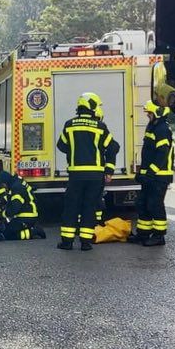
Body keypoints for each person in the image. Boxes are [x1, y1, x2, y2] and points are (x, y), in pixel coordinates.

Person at [56, 92, 117, 251]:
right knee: (89, 207)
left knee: (71, 206)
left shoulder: (69, 125)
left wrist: (75, 149)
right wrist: (109, 169)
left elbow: (61, 146)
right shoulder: (100, 127)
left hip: (76, 174)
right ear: (92, 106)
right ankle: (85, 242)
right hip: (96, 175)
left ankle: (67, 242)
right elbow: (113, 147)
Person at [130, 101, 173, 246]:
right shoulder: (153, 127)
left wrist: (150, 173)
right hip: (150, 175)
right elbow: (148, 153)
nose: (148, 115)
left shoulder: (162, 129)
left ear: (158, 112)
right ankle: (143, 234)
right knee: (143, 204)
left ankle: (159, 236)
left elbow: (162, 154)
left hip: (159, 176)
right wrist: (142, 173)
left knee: (155, 205)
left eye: (150, 113)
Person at [0, 172, 45, 240]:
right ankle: (30, 228)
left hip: (26, 216)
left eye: (3, 185)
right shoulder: (16, 183)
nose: (3, 187)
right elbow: (13, 197)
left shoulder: (16, 187)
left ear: (5, 182)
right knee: (8, 229)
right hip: (28, 214)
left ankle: (34, 231)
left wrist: (2, 214)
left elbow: (14, 208)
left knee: (8, 235)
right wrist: (3, 200)